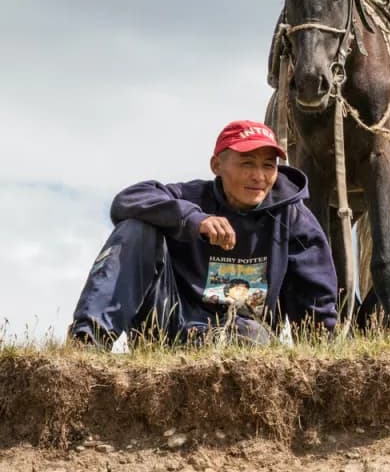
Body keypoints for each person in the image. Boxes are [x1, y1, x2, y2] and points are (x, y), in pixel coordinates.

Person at [68, 120, 338, 348]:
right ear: (216, 166)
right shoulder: (190, 197)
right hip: (169, 328)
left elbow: (316, 303)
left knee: (252, 334)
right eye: (247, 163)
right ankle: (88, 342)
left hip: (244, 337)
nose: (259, 176)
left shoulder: (293, 218)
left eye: (268, 165)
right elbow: (126, 200)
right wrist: (192, 219)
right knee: (136, 228)